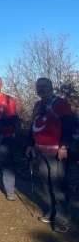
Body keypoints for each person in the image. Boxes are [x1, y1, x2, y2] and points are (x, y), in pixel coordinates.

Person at [25, 78, 74, 233]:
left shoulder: (60, 103)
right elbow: (34, 127)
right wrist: (29, 145)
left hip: (56, 151)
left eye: (44, 86)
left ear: (51, 87)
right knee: (47, 184)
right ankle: (53, 211)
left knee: (58, 185)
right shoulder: (37, 105)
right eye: (38, 86)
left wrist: (64, 146)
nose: (40, 89)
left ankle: (62, 217)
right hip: (40, 150)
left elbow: (68, 126)